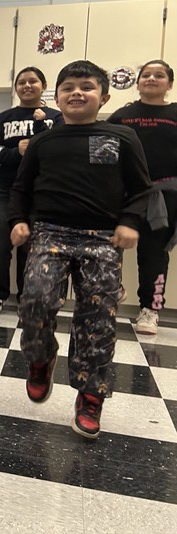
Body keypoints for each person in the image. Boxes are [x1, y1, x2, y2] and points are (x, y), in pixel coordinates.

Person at [11, 60, 152, 439]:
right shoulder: (43, 140)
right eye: (68, 87)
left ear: (103, 96)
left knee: (96, 318)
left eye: (87, 87)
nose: (77, 92)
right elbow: (21, 188)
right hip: (50, 233)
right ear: (55, 97)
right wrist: (17, 221)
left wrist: (130, 222)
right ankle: (40, 358)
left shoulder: (122, 137)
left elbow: (141, 189)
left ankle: (90, 394)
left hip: (103, 238)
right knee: (36, 300)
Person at [0, 67, 63, 314]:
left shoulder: (55, 117)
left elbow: (62, 149)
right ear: (16, 87)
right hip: (5, 188)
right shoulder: (3, 118)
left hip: (39, 191)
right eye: (22, 82)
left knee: (30, 245)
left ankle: (26, 296)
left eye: (33, 81)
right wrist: (15, 152)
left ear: (43, 85)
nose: (27, 86)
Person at [107, 59, 177, 335]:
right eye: (146, 75)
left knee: (154, 253)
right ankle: (113, 289)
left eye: (159, 75)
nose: (151, 79)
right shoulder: (122, 116)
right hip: (121, 192)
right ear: (137, 83)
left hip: (164, 195)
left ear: (169, 84)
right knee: (108, 245)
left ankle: (150, 309)